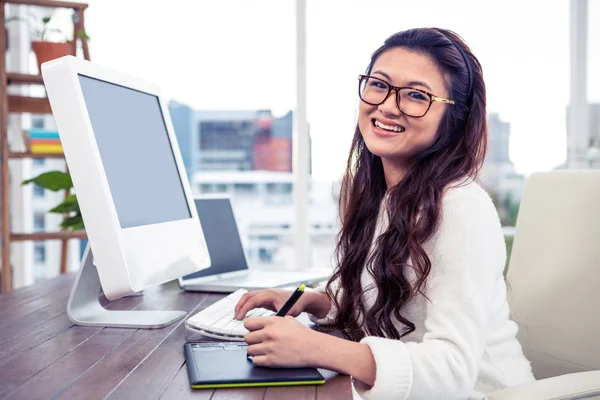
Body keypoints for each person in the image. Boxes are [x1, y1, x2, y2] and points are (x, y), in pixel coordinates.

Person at [234, 27, 535, 400]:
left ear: (453, 117)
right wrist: (309, 299)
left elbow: (453, 370)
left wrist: (316, 348)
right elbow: (382, 302)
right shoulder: (381, 196)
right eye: (379, 85)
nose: (388, 105)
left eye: (416, 95)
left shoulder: (460, 206)